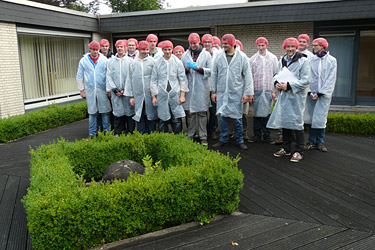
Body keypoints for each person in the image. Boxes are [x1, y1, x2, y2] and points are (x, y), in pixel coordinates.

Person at [267, 37, 310, 163]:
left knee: (297, 123)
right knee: (285, 121)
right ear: (284, 48)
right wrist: (276, 84)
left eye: (292, 46)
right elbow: (276, 75)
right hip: (284, 97)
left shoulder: (303, 61)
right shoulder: (282, 60)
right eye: (287, 47)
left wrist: (289, 86)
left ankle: (298, 151)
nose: (290, 49)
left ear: (296, 47)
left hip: (296, 97)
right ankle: (286, 148)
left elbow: (306, 80)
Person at [211, 34, 254, 150]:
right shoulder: (219, 56)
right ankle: (223, 139)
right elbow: (214, 74)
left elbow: (248, 76)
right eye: (223, 43)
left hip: (237, 92)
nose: (223, 45)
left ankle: (239, 140)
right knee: (223, 116)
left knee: (237, 117)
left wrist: (247, 93)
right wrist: (213, 91)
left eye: (226, 43)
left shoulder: (242, 57)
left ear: (232, 43)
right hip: (222, 91)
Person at [304, 38, 337, 152]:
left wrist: (321, 92)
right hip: (312, 94)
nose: (314, 47)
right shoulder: (311, 60)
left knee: (321, 118)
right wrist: (310, 91)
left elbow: (331, 78)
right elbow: (308, 76)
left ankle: (320, 142)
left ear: (323, 46)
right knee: (312, 117)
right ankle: (311, 141)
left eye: (316, 45)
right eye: (313, 45)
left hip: (323, 95)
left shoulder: (332, 60)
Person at [150, 40, 188, 134]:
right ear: (162, 50)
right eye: (165, 49)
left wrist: (182, 95)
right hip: (161, 94)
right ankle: (164, 139)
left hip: (175, 93)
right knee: (163, 119)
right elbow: (153, 80)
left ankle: (177, 139)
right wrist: (154, 96)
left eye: (169, 49)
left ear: (172, 49)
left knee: (176, 119)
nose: (167, 51)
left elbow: (182, 79)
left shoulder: (177, 62)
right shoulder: (157, 62)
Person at [181, 33, 212, 146]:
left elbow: (211, 71)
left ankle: (203, 136)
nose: (193, 45)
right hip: (189, 87)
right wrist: (187, 69)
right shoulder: (185, 55)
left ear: (199, 42)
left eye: (195, 43)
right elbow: (180, 72)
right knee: (190, 113)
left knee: (203, 113)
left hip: (202, 87)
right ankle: (190, 135)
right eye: (191, 43)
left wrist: (198, 69)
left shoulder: (206, 55)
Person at [76, 41, 111, 140]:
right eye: (93, 49)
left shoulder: (104, 60)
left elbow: (108, 75)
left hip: (102, 89)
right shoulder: (83, 61)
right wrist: (81, 90)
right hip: (90, 90)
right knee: (92, 112)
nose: (95, 51)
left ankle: (107, 132)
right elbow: (79, 76)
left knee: (104, 112)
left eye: (96, 49)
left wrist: (108, 89)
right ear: (90, 49)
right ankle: (92, 133)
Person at [248, 37, 278, 143]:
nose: (261, 48)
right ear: (257, 46)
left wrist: (274, 91)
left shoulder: (273, 58)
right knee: (256, 114)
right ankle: (257, 134)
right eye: (259, 45)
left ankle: (266, 134)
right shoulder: (252, 59)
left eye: (263, 45)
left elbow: (276, 75)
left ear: (266, 45)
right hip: (257, 90)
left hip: (268, 90)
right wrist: (250, 92)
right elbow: (249, 77)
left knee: (266, 113)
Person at [125, 41, 158, 134]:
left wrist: (155, 94)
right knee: (140, 116)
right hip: (138, 95)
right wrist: (131, 96)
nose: (145, 51)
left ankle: (151, 136)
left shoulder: (153, 62)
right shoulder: (133, 63)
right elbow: (129, 80)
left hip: (150, 95)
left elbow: (156, 79)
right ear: (138, 50)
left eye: (147, 49)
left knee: (151, 116)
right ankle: (141, 137)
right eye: (143, 49)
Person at [106, 40, 135, 136]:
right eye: (118, 47)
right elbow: (109, 76)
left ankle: (131, 132)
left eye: (121, 47)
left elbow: (130, 77)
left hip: (127, 92)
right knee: (118, 113)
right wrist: (114, 89)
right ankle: (118, 133)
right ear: (115, 48)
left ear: (125, 48)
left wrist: (125, 90)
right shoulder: (111, 62)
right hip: (116, 93)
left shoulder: (130, 61)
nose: (119, 48)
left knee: (129, 113)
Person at [202, 34, 220, 140]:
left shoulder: (217, 54)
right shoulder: (201, 54)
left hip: (214, 86)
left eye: (209, 42)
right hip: (203, 85)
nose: (207, 44)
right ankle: (204, 130)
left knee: (213, 110)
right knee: (203, 110)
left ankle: (212, 130)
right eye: (205, 42)